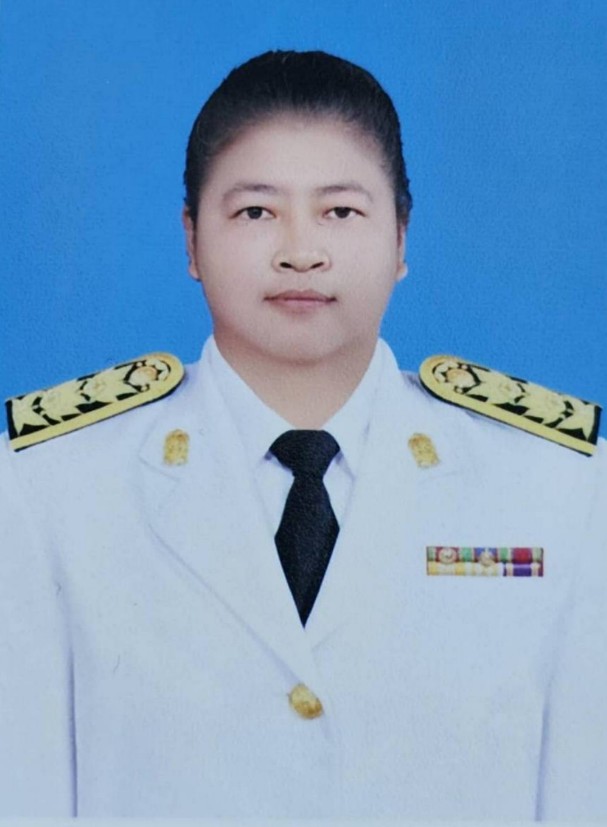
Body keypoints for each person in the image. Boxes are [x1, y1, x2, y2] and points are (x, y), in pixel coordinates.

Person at [0, 50, 605, 819]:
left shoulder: (558, 488)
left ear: (400, 238)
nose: (300, 250)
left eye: (340, 212)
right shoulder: (49, 488)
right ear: (190, 241)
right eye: (256, 212)